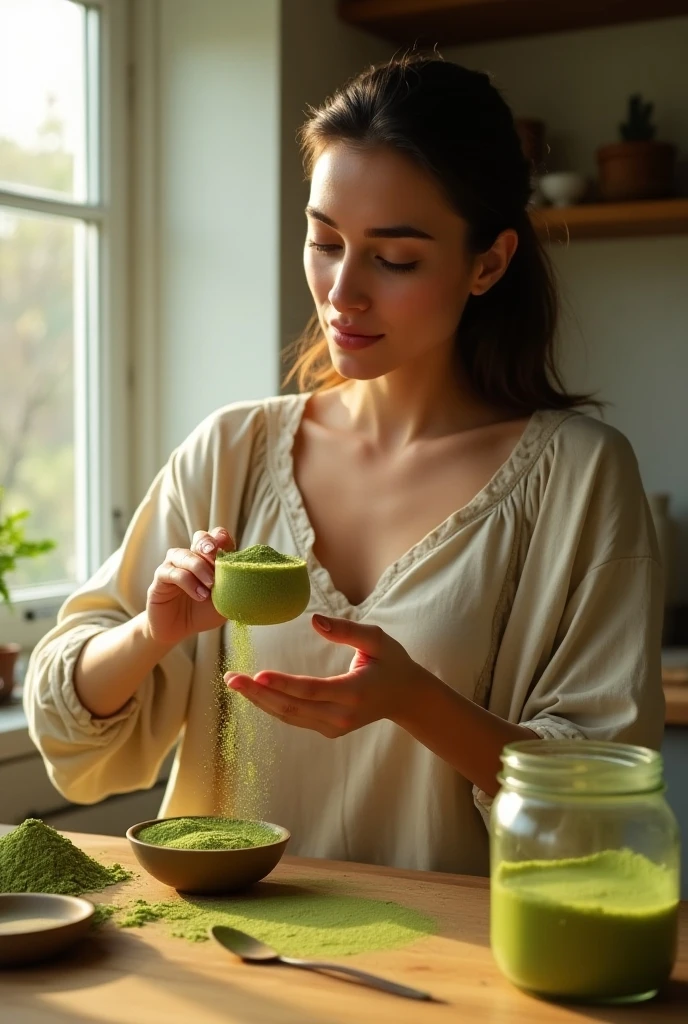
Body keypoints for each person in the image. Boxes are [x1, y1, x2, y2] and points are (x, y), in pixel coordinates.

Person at [24, 54, 664, 876]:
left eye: (393, 259)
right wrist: (152, 634)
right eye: (324, 241)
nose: (342, 293)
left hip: (456, 980)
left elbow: (600, 803)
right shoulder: (231, 450)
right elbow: (67, 726)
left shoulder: (578, 478)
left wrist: (415, 702)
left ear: (489, 263)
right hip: (226, 965)